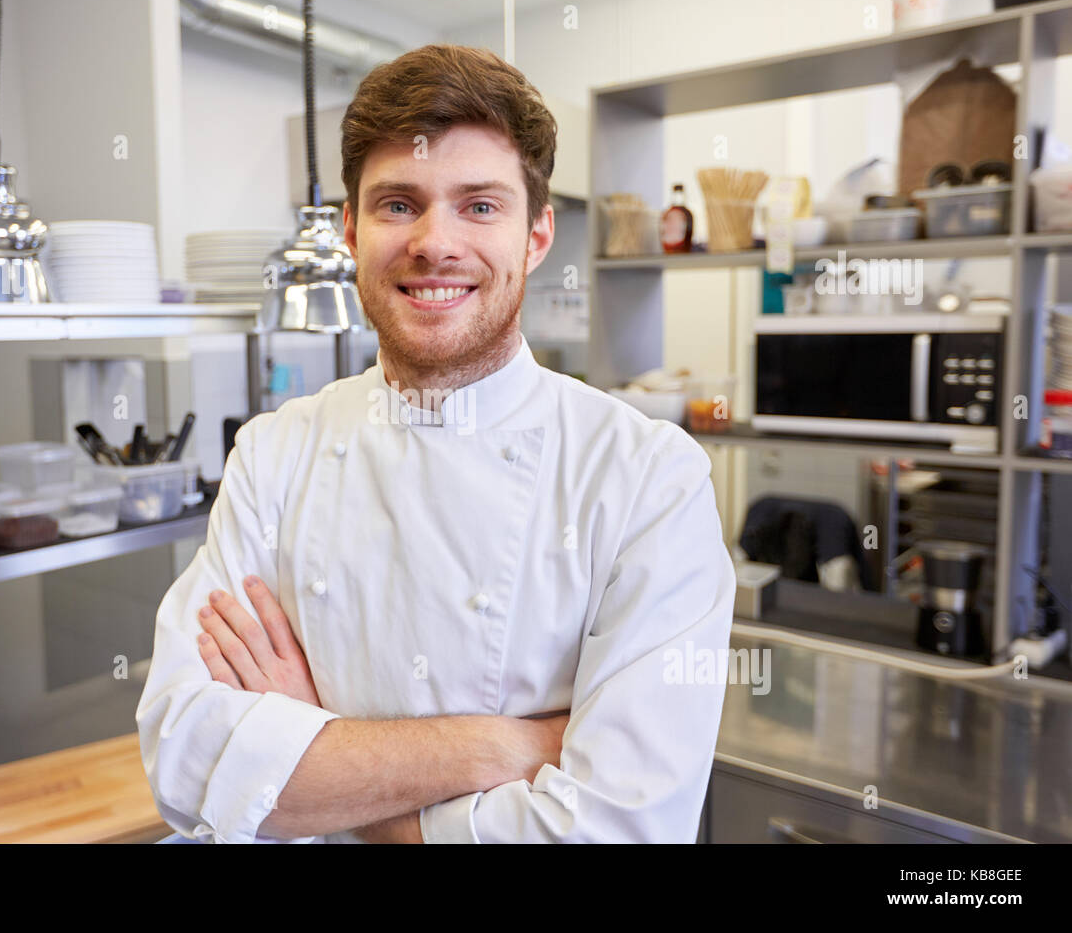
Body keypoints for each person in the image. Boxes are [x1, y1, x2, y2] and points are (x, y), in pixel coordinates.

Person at [137, 44, 736, 844]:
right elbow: (184, 760)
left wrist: (316, 761)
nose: (434, 243)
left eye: (480, 206)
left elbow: (617, 828)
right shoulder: (275, 454)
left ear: (536, 236)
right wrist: (511, 746)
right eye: (398, 205)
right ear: (350, 230)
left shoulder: (646, 479)